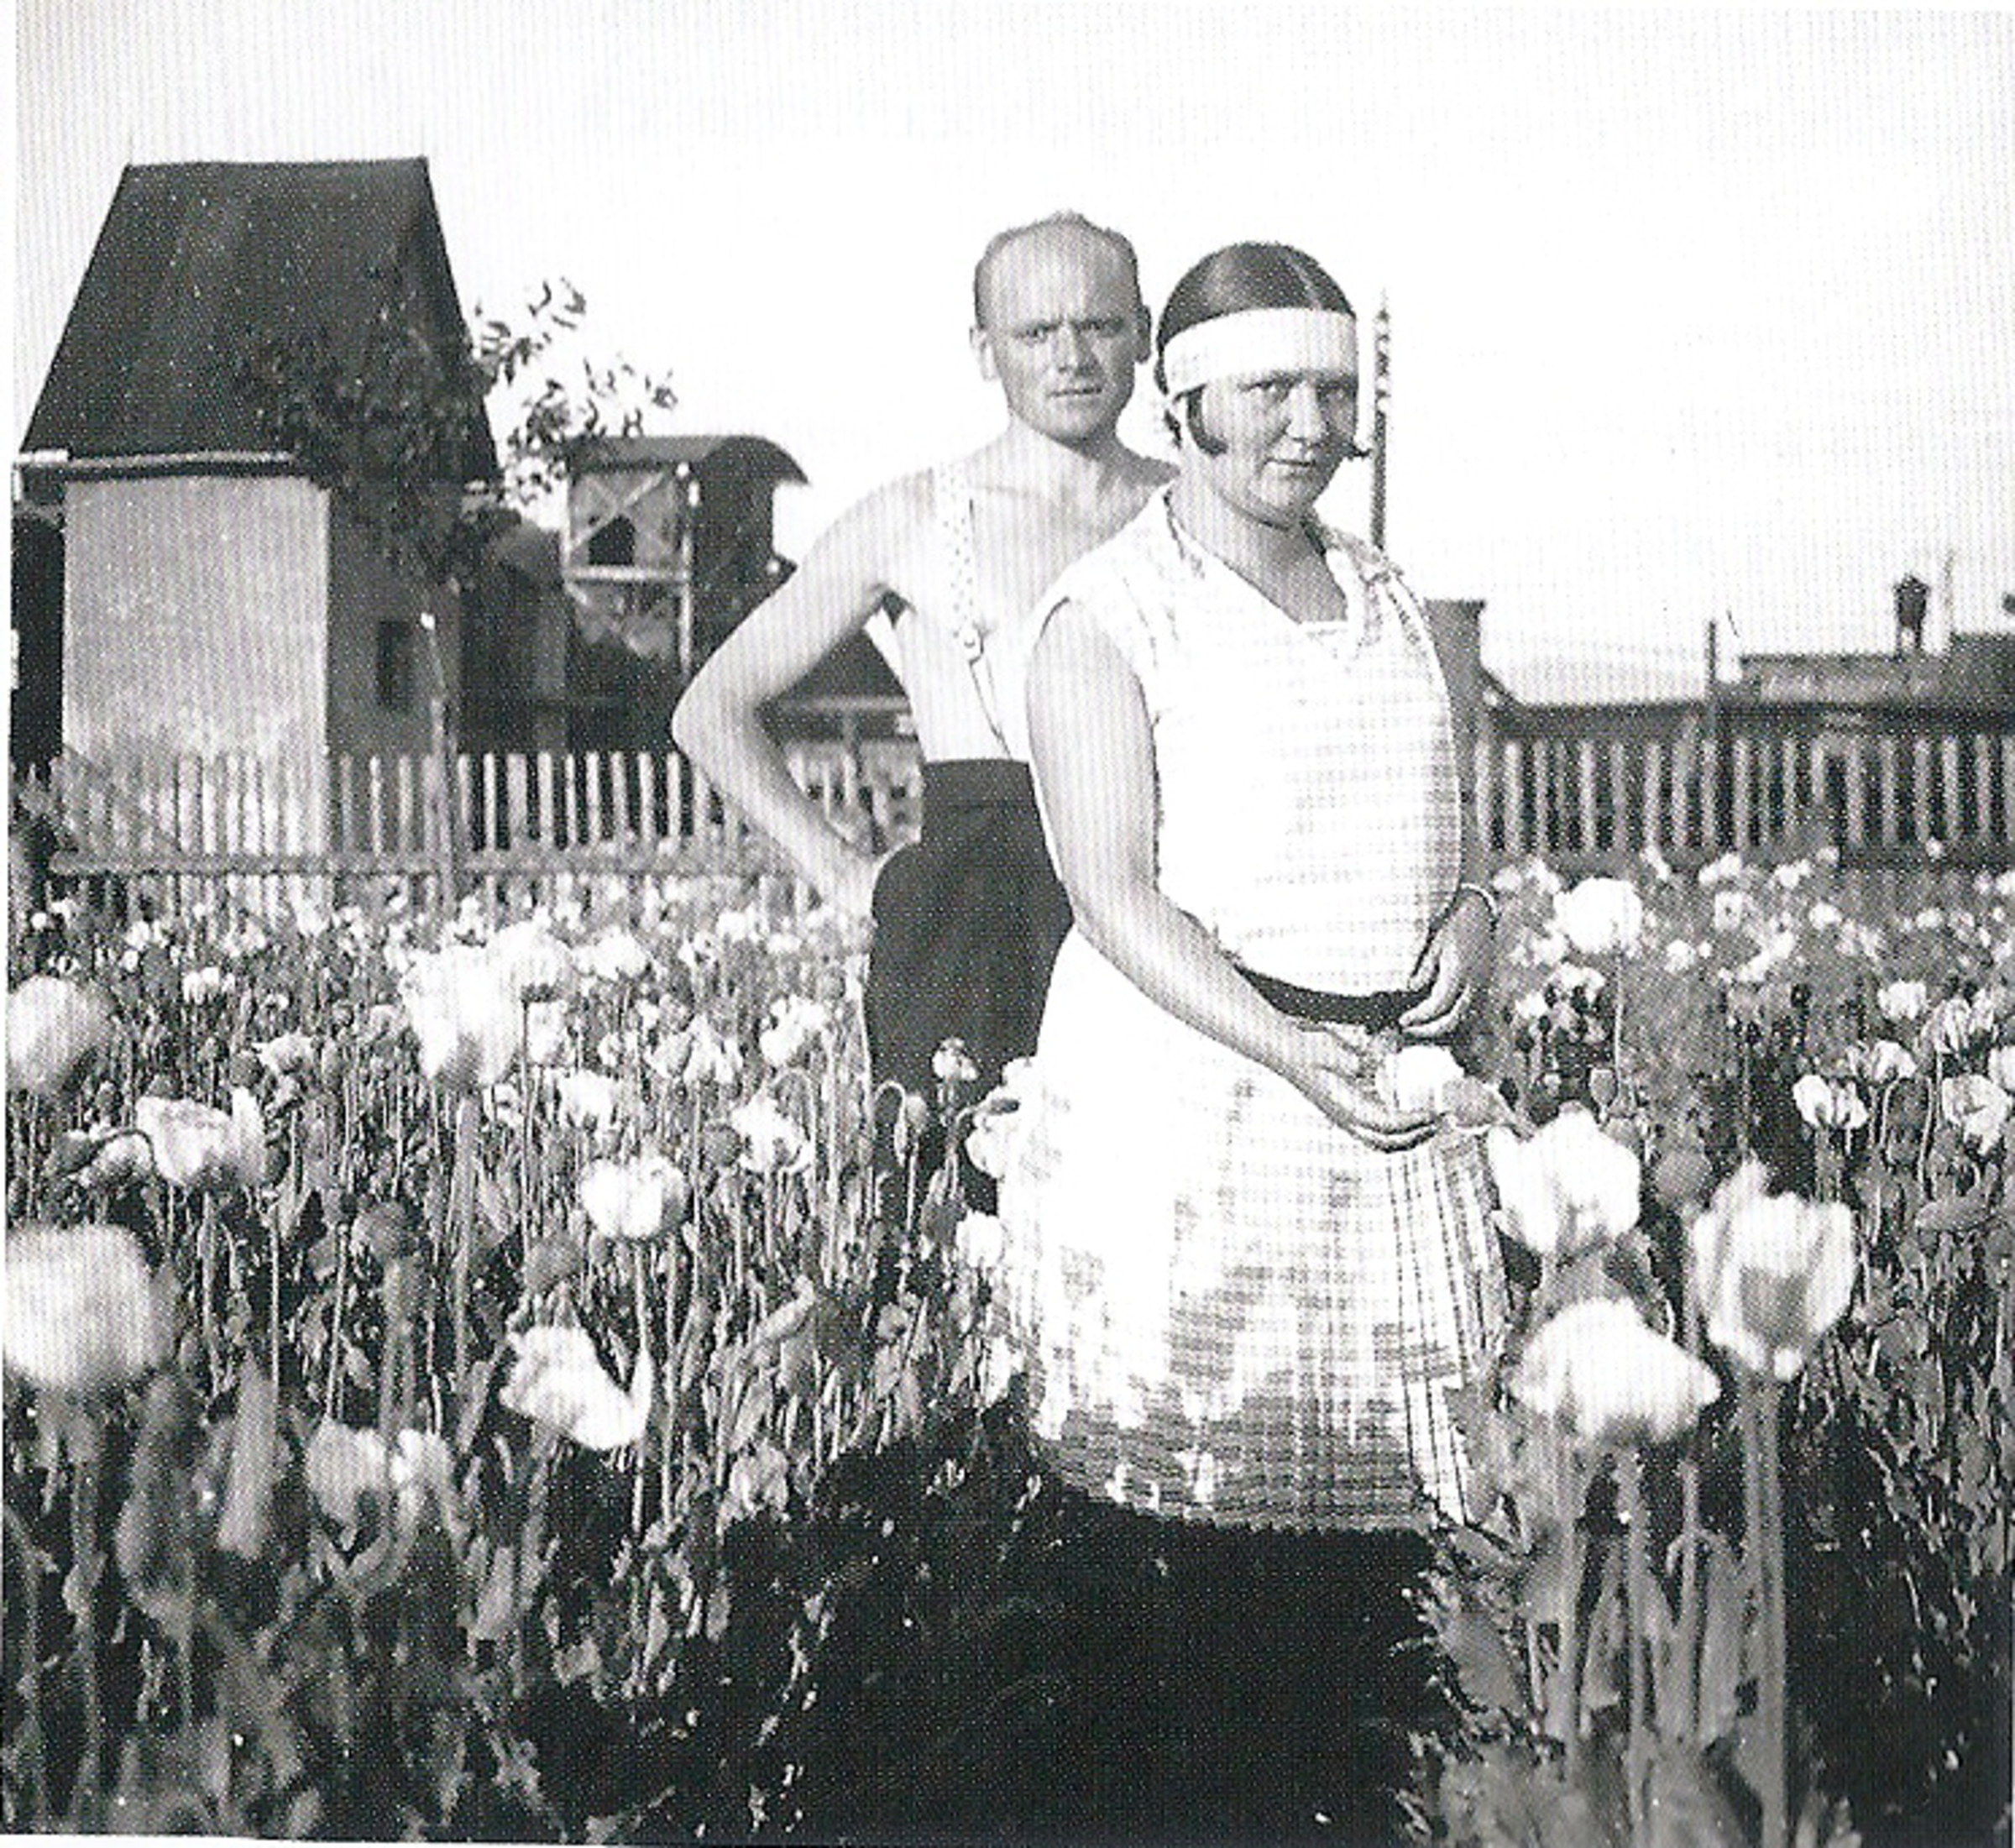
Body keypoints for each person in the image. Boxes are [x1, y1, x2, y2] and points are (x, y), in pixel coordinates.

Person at [989, 242, 1510, 1841]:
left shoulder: (1393, 597)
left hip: (1388, 1107)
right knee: (1190, 1547)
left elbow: (1455, 831)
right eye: (1270, 388)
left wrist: (1472, 919)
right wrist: (1286, 1050)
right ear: (1185, 401)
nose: (1309, 425)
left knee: (1408, 1545)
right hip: (1198, 1103)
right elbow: (1112, 892)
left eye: (1336, 391)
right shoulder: (1105, 617)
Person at [670, 212, 1173, 1120]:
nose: (1071, 357)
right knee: (955, 1189)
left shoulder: (1191, 514)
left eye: (1099, 325)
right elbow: (711, 708)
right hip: (974, 915)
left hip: (1165, 898)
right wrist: (842, 872)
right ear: (984, 350)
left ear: (1141, 332)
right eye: (1035, 333)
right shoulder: (914, 518)